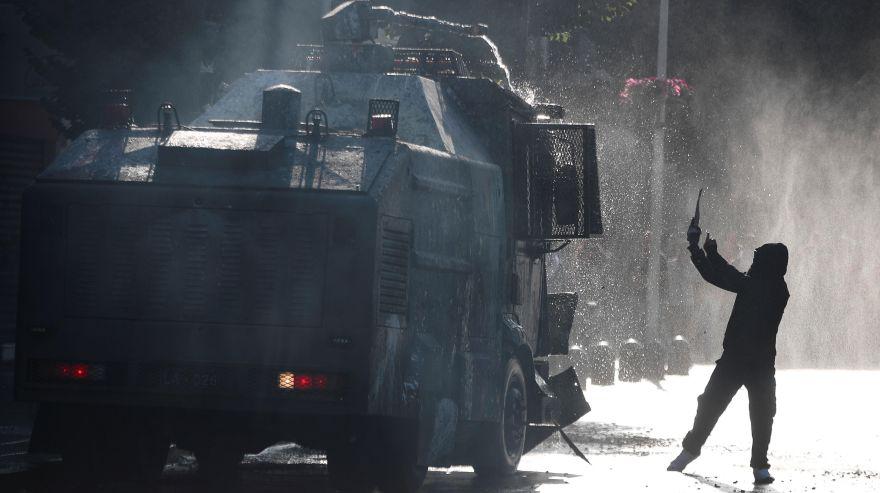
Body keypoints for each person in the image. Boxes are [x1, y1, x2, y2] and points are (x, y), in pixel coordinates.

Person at [667, 223, 789, 485]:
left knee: (761, 413)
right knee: (712, 404)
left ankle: (758, 465)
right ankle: (692, 450)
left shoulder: (771, 290)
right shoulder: (766, 285)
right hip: (740, 359)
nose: (753, 264)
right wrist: (705, 251)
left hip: (755, 362)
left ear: (768, 265)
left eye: (758, 260)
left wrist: (701, 249)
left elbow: (725, 277)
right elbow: (725, 276)